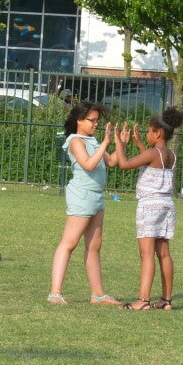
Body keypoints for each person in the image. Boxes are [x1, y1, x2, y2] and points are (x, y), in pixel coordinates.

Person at [48, 103, 124, 305]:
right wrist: (105, 143)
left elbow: (111, 162)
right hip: (82, 196)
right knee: (69, 243)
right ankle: (55, 293)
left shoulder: (93, 140)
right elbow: (89, 164)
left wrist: (120, 144)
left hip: (96, 197)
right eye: (92, 120)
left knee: (94, 246)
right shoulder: (75, 141)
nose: (96, 124)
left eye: (97, 120)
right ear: (79, 120)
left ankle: (98, 295)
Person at [113, 107, 183, 310]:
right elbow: (151, 160)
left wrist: (119, 143)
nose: (146, 135)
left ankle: (143, 300)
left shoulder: (154, 153)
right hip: (166, 205)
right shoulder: (169, 155)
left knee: (146, 254)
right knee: (164, 253)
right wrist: (138, 144)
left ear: (158, 133)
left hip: (150, 205)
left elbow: (124, 164)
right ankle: (166, 300)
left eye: (148, 132)